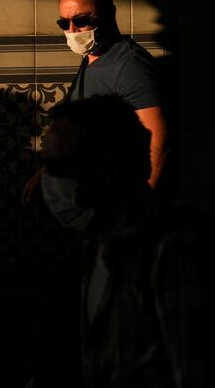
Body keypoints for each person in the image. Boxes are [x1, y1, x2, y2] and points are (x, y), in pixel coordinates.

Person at [30, 95, 214, 387]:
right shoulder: (90, 250)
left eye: (57, 167)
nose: (47, 181)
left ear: (106, 167)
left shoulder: (173, 244)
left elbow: (193, 368)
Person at [23, 0, 168, 204]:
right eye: (64, 23)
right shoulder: (91, 60)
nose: (72, 31)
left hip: (118, 199)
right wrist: (45, 175)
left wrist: (141, 207)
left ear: (108, 14)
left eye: (81, 20)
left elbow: (158, 139)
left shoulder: (130, 65)